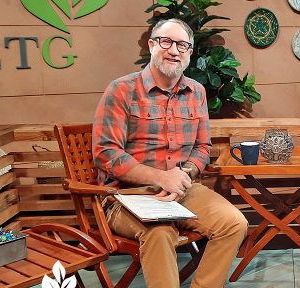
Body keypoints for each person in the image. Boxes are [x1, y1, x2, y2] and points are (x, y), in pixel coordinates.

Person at [92, 18, 248, 288]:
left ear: (189, 53)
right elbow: (106, 153)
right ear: (152, 45)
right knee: (160, 232)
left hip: (182, 190)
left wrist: (183, 175)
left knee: (234, 223)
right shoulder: (121, 90)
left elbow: (202, 148)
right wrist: (160, 177)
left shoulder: (196, 92)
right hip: (125, 195)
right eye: (167, 42)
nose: (174, 50)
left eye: (182, 45)